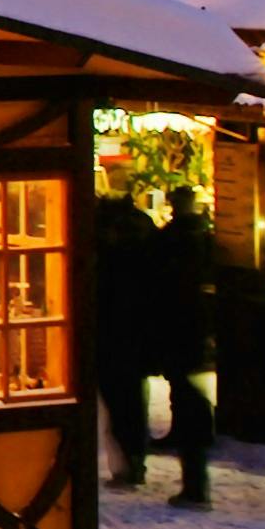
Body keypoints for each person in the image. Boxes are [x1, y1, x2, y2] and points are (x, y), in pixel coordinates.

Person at [144, 185, 218, 508]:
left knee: (187, 395)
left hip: (178, 327)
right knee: (191, 395)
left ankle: (195, 485)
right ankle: (195, 468)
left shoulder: (171, 239)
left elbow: (155, 278)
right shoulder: (205, 237)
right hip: (197, 328)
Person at [92, 193, 160, 489]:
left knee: (116, 402)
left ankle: (125, 467)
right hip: (138, 334)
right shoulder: (145, 240)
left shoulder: (108, 252)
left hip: (110, 334)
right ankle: (135, 461)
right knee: (133, 401)